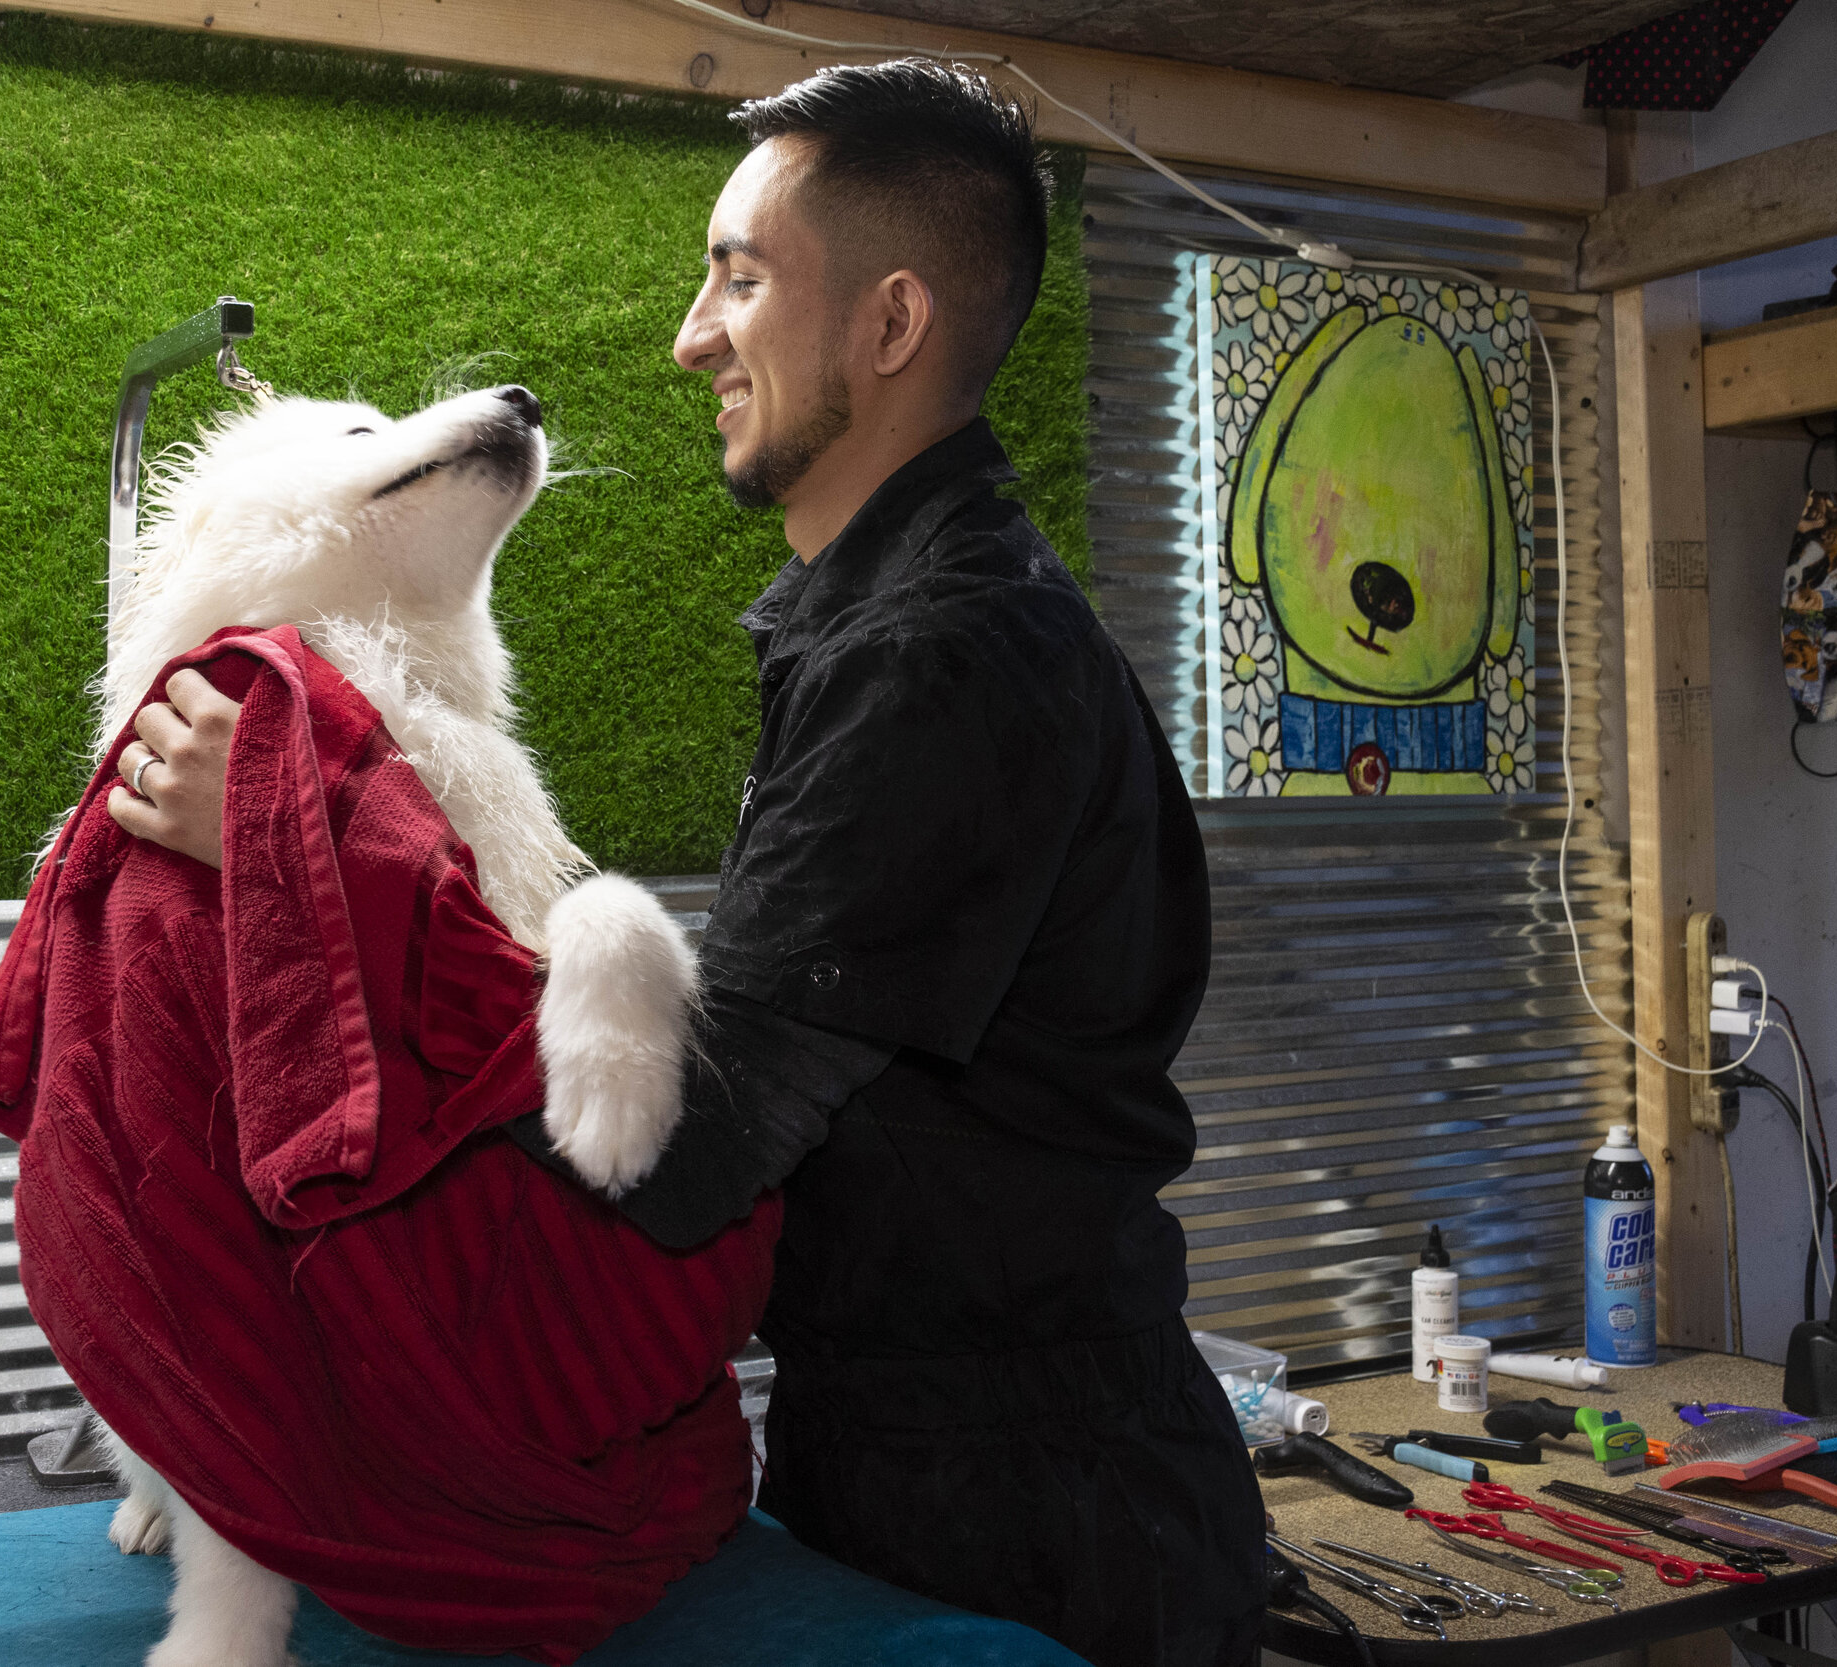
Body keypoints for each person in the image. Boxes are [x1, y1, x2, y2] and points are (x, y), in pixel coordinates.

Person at [108, 59, 1263, 1667]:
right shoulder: (888, 621)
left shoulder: (943, 658)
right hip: (907, 1455)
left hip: (1031, 1520)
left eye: (740, 277)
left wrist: (314, 835)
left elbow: (685, 1142)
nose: (691, 334)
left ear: (892, 322)